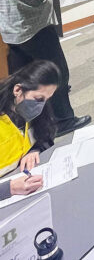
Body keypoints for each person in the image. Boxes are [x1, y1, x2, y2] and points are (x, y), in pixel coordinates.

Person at [0, 0, 94, 137]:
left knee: (24, 80)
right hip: (36, 33)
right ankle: (64, 121)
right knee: (57, 74)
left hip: (13, 35)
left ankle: (24, 121)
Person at [0, 60, 61, 201]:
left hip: (24, 183)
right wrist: (8, 189)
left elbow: (47, 135)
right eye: (39, 98)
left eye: (47, 99)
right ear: (17, 90)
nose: (42, 105)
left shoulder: (36, 109)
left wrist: (35, 150)